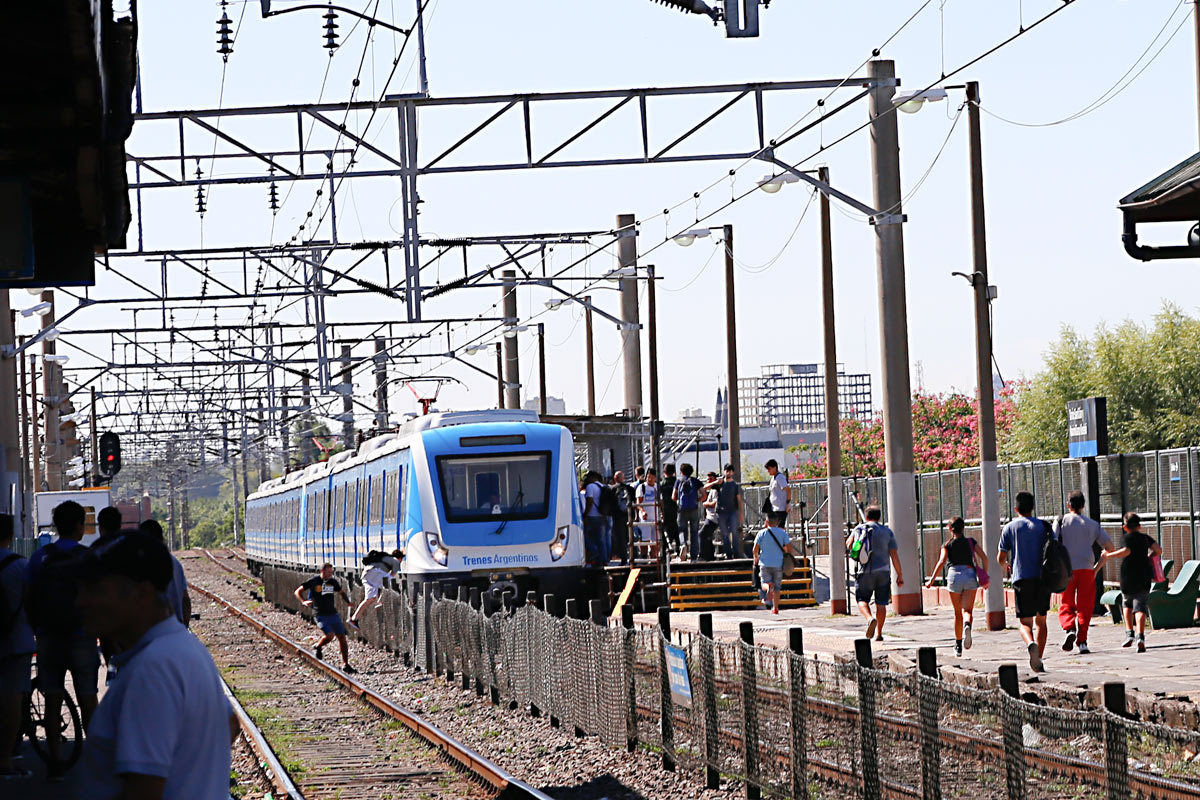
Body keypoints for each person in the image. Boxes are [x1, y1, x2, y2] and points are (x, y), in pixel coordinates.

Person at [75, 530, 238, 799]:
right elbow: (230, 722)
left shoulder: (151, 670)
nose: (81, 601)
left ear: (142, 593)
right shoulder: (183, 648)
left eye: (96, 589)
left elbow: (143, 791)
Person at [26, 500, 100, 780]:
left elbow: (29, 597)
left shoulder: (40, 557)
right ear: (80, 526)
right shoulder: (88, 557)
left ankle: (55, 762)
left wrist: (38, 629)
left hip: (49, 638)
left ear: (56, 526)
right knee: (88, 699)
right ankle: (95, 761)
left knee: (53, 699)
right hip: (82, 637)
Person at [1054, 492, 1114, 654]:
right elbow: (1109, 548)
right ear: (1083, 506)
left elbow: (1052, 542)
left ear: (1068, 505)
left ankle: (1069, 629)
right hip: (1087, 568)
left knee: (1066, 602)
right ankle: (1082, 642)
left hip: (1066, 568)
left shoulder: (1061, 521)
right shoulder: (1092, 524)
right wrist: (1096, 568)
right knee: (1085, 606)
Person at [997, 491, 1049, 672]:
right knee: (1041, 621)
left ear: (1016, 508)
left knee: (1025, 623)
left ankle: (1030, 643)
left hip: (1021, 578)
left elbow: (1001, 557)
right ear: (1032, 507)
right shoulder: (1044, 526)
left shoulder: (1009, 528)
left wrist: (1007, 565)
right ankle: (1039, 659)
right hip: (1042, 579)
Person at [0, 514, 34, 779]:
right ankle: (6, 759)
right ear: (10, 536)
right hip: (16, 641)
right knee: (12, 698)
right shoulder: (20, 566)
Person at [923, 517, 987, 657]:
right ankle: (967, 625)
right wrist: (985, 576)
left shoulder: (947, 544)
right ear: (963, 528)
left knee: (957, 613)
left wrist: (931, 580)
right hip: (970, 575)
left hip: (954, 577)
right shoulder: (971, 542)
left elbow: (941, 562)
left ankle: (958, 645)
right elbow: (984, 557)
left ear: (950, 529)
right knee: (968, 611)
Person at [1101, 512, 1161, 653]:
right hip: (1144, 575)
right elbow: (1158, 550)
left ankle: (1129, 633)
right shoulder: (1145, 538)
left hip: (1128, 575)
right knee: (1140, 606)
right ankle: (1141, 636)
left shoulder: (1126, 538)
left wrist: (1109, 555)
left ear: (1125, 527)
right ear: (1139, 526)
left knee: (1127, 603)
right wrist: (1148, 556)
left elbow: (1126, 551)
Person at [846, 505, 903, 640]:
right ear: (879, 517)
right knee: (881, 603)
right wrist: (899, 575)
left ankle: (869, 618)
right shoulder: (887, 532)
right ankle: (879, 633)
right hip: (883, 571)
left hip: (864, 571)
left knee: (861, 599)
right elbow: (894, 555)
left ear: (866, 517)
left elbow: (849, 545)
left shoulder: (859, 529)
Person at [294, 564, 357, 673]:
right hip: (320, 614)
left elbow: (341, 592)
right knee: (330, 635)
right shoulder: (314, 581)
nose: (330, 574)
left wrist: (348, 602)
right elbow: (298, 591)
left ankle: (346, 664)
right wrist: (303, 601)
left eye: (331, 572)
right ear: (322, 571)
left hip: (333, 613)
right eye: (328, 572)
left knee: (342, 638)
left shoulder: (332, 582)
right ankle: (318, 646)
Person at [138, 519, 192, 628]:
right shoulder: (175, 563)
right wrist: (184, 627)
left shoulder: (143, 565)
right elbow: (185, 599)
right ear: (161, 538)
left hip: (154, 632)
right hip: (176, 628)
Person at [348, 549, 402, 630]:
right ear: (400, 557)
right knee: (390, 583)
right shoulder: (396, 562)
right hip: (375, 572)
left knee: (370, 599)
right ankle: (380, 601)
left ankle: (353, 619)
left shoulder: (385, 558)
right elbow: (390, 578)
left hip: (366, 573)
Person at [753, 512, 792, 614]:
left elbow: (755, 549)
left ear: (766, 521)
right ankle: (775, 608)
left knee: (763, 584)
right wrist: (787, 556)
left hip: (764, 563)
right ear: (777, 522)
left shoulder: (761, 533)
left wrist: (756, 558)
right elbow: (789, 548)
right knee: (777, 587)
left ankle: (768, 587)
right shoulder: (782, 533)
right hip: (778, 563)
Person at [673, 464, 703, 561]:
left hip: (682, 509)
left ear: (681, 472)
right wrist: (697, 500)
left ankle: (683, 544)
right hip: (694, 509)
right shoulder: (695, 481)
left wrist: (678, 501)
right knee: (694, 532)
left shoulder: (679, 481)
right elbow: (704, 494)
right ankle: (694, 557)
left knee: (682, 530)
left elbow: (673, 496)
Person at [715, 464, 744, 558]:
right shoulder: (720, 483)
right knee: (724, 534)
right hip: (721, 512)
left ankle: (736, 554)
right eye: (726, 471)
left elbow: (739, 499)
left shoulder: (735, 485)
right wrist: (716, 482)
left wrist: (741, 513)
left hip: (732, 511)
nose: (728, 473)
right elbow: (706, 487)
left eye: (730, 471)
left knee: (734, 532)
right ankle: (728, 554)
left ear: (733, 472)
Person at [582, 471, 608, 567]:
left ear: (592, 477)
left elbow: (590, 501)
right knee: (602, 539)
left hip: (592, 516)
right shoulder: (602, 486)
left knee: (586, 537)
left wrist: (585, 514)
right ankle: (603, 559)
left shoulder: (590, 487)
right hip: (602, 515)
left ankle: (595, 552)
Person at [634, 468, 660, 553]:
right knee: (645, 539)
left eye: (652, 477)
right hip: (645, 519)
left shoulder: (657, 487)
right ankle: (644, 557)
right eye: (648, 477)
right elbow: (638, 502)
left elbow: (661, 502)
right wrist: (642, 511)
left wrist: (662, 513)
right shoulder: (642, 487)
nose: (650, 479)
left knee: (655, 541)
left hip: (655, 517)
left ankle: (653, 558)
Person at [609, 471, 632, 567]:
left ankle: (623, 558)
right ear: (623, 478)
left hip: (617, 517)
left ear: (615, 478)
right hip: (628, 516)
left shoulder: (612, 489)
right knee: (630, 537)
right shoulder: (629, 489)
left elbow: (609, 503)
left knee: (620, 538)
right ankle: (633, 556)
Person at [698, 472, 720, 562]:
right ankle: (710, 556)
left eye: (711, 479)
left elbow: (715, 503)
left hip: (713, 518)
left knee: (701, 534)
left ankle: (702, 555)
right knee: (708, 536)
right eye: (707, 479)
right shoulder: (711, 490)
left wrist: (706, 504)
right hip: (710, 517)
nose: (708, 481)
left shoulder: (715, 490)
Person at [660, 465, 680, 558]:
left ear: (664, 472)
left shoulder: (662, 484)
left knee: (665, 530)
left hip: (665, 510)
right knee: (676, 529)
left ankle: (665, 551)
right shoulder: (677, 482)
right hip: (676, 509)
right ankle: (679, 549)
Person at [765, 459, 791, 526]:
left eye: (769, 469)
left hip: (781, 508)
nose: (768, 471)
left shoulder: (780, 477)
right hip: (773, 508)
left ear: (774, 468)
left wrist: (788, 503)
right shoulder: (773, 478)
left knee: (779, 528)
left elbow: (788, 490)